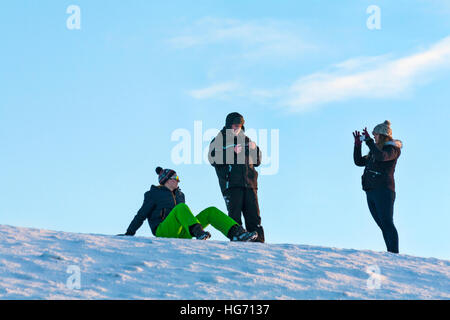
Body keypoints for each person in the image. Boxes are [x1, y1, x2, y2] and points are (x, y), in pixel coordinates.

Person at [121, 166, 258, 242]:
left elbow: (185, 217)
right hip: (164, 231)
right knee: (181, 208)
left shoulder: (180, 195)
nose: (178, 181)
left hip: (183, 233)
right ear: (167, 180)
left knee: (211, 211)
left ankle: (236, 233)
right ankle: (199, 233)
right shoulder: (153, 193)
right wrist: (129, 233)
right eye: (176, 178)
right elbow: (141, 215)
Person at [208, 112, 265, 243]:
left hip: (250, 184)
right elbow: (213, 159)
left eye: (239, 126)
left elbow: (257, 161)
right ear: (228, 125)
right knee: (234, 215)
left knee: (254, 216)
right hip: (231, 184)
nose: (236, 128)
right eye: (234, 125)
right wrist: (231, 152)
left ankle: (259, 243)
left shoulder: (246, 140)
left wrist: (254, 150)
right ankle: (237, 242)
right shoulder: (219, 139)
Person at [353, 120, 403, 254]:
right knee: (382, 224)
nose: (373, 137)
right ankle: (390, 252)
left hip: (384, 191)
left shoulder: (392, 149)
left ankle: (394, 253)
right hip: (371, 191)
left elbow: (382, 157)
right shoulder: (374, 151)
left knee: (387, 223)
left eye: (375, 135)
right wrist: (357, 145)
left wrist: (369, 142)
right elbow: (358, 162)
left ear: (382, 135)